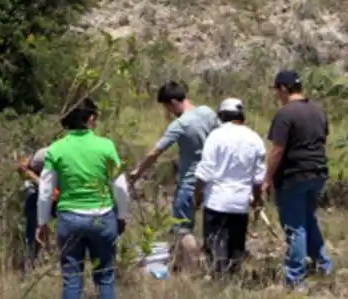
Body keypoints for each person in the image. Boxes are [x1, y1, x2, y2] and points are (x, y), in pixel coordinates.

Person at [37, 98, 131, 299]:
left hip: (69, 219)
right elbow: (120, 186)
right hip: (102, 217)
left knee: (72, 279)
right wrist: (122, 216)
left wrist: (42, 223)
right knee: (105, 277)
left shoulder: (56, 149)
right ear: (91, 118)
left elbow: (45, 190)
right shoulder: (106, 146)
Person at [127, 81, 220, 272]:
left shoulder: (180, 124)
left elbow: (155, 152)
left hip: (190, 182)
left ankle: (193, 270)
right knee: (212, 227)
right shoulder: (208, 113)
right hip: (213, 180)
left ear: (173, 102)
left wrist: (137, 173)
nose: (167, 112)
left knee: (183, 228)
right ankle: (196, 266)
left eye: (167, 107)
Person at [264, 70, 333, 293]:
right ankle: (324, 265)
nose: (277, 95)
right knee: (308, 220)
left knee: (295, 227)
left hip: (294, 174)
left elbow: (277, 150)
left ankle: (296, 278)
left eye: (277, 91)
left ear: (283, 89)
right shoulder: (318, 111)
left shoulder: (285, 114)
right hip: (318, 172)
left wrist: (267, 179)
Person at [193, 98, 266, 278]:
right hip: (240, 203)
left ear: (222, 115)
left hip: (216, 201)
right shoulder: (255, 138)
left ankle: (218, 282)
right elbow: (258, 179)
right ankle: (232, 281)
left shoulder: (216, 136)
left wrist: (197, 196)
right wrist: (256, 200)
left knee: (215, 247)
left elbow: (205, 171)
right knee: (236, 249)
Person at [17, 144, 57, 272]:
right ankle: (29, 266)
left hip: (56, 192)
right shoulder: (42, 155)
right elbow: (22, 168)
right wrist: (41, 183)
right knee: (33, 229)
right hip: (36, 192)